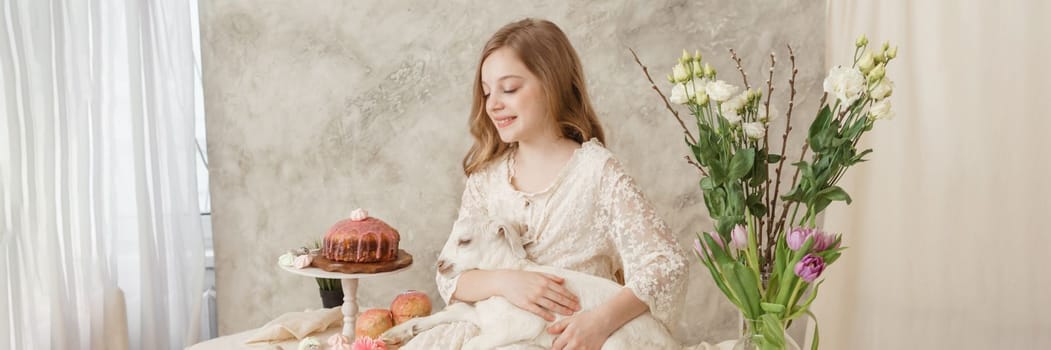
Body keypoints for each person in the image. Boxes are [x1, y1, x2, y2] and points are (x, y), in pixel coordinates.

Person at [404, 18, 688, 350]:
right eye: (486, 91)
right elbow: (451, 277)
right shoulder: (486, 180)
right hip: (499, 333)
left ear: (552, 85)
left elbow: (666, 266)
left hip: (575, 338)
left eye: (509, 89)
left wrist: (599, 321)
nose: (493, 103)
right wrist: (507, 282)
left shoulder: (597, 173)